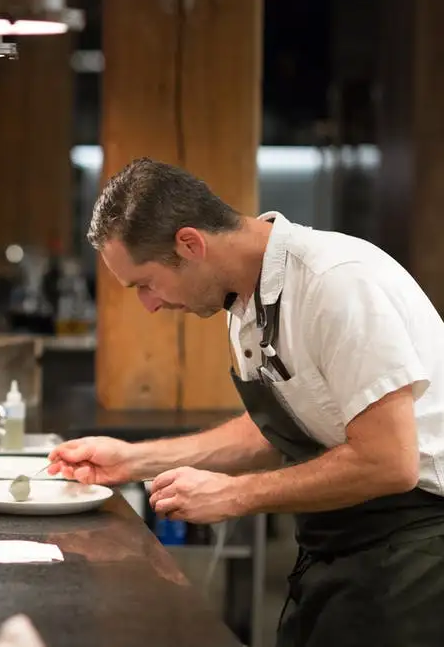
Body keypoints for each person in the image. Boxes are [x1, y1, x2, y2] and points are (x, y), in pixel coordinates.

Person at [48, 157, 444, 646]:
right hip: (344, 541)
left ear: (190, 244)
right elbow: (277, 429)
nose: (148, 305)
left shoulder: (335, 282)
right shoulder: (243, 301)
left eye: (145, 283)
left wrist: (233, 495)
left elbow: (390, 462)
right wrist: (134, 460)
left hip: (418, 547)